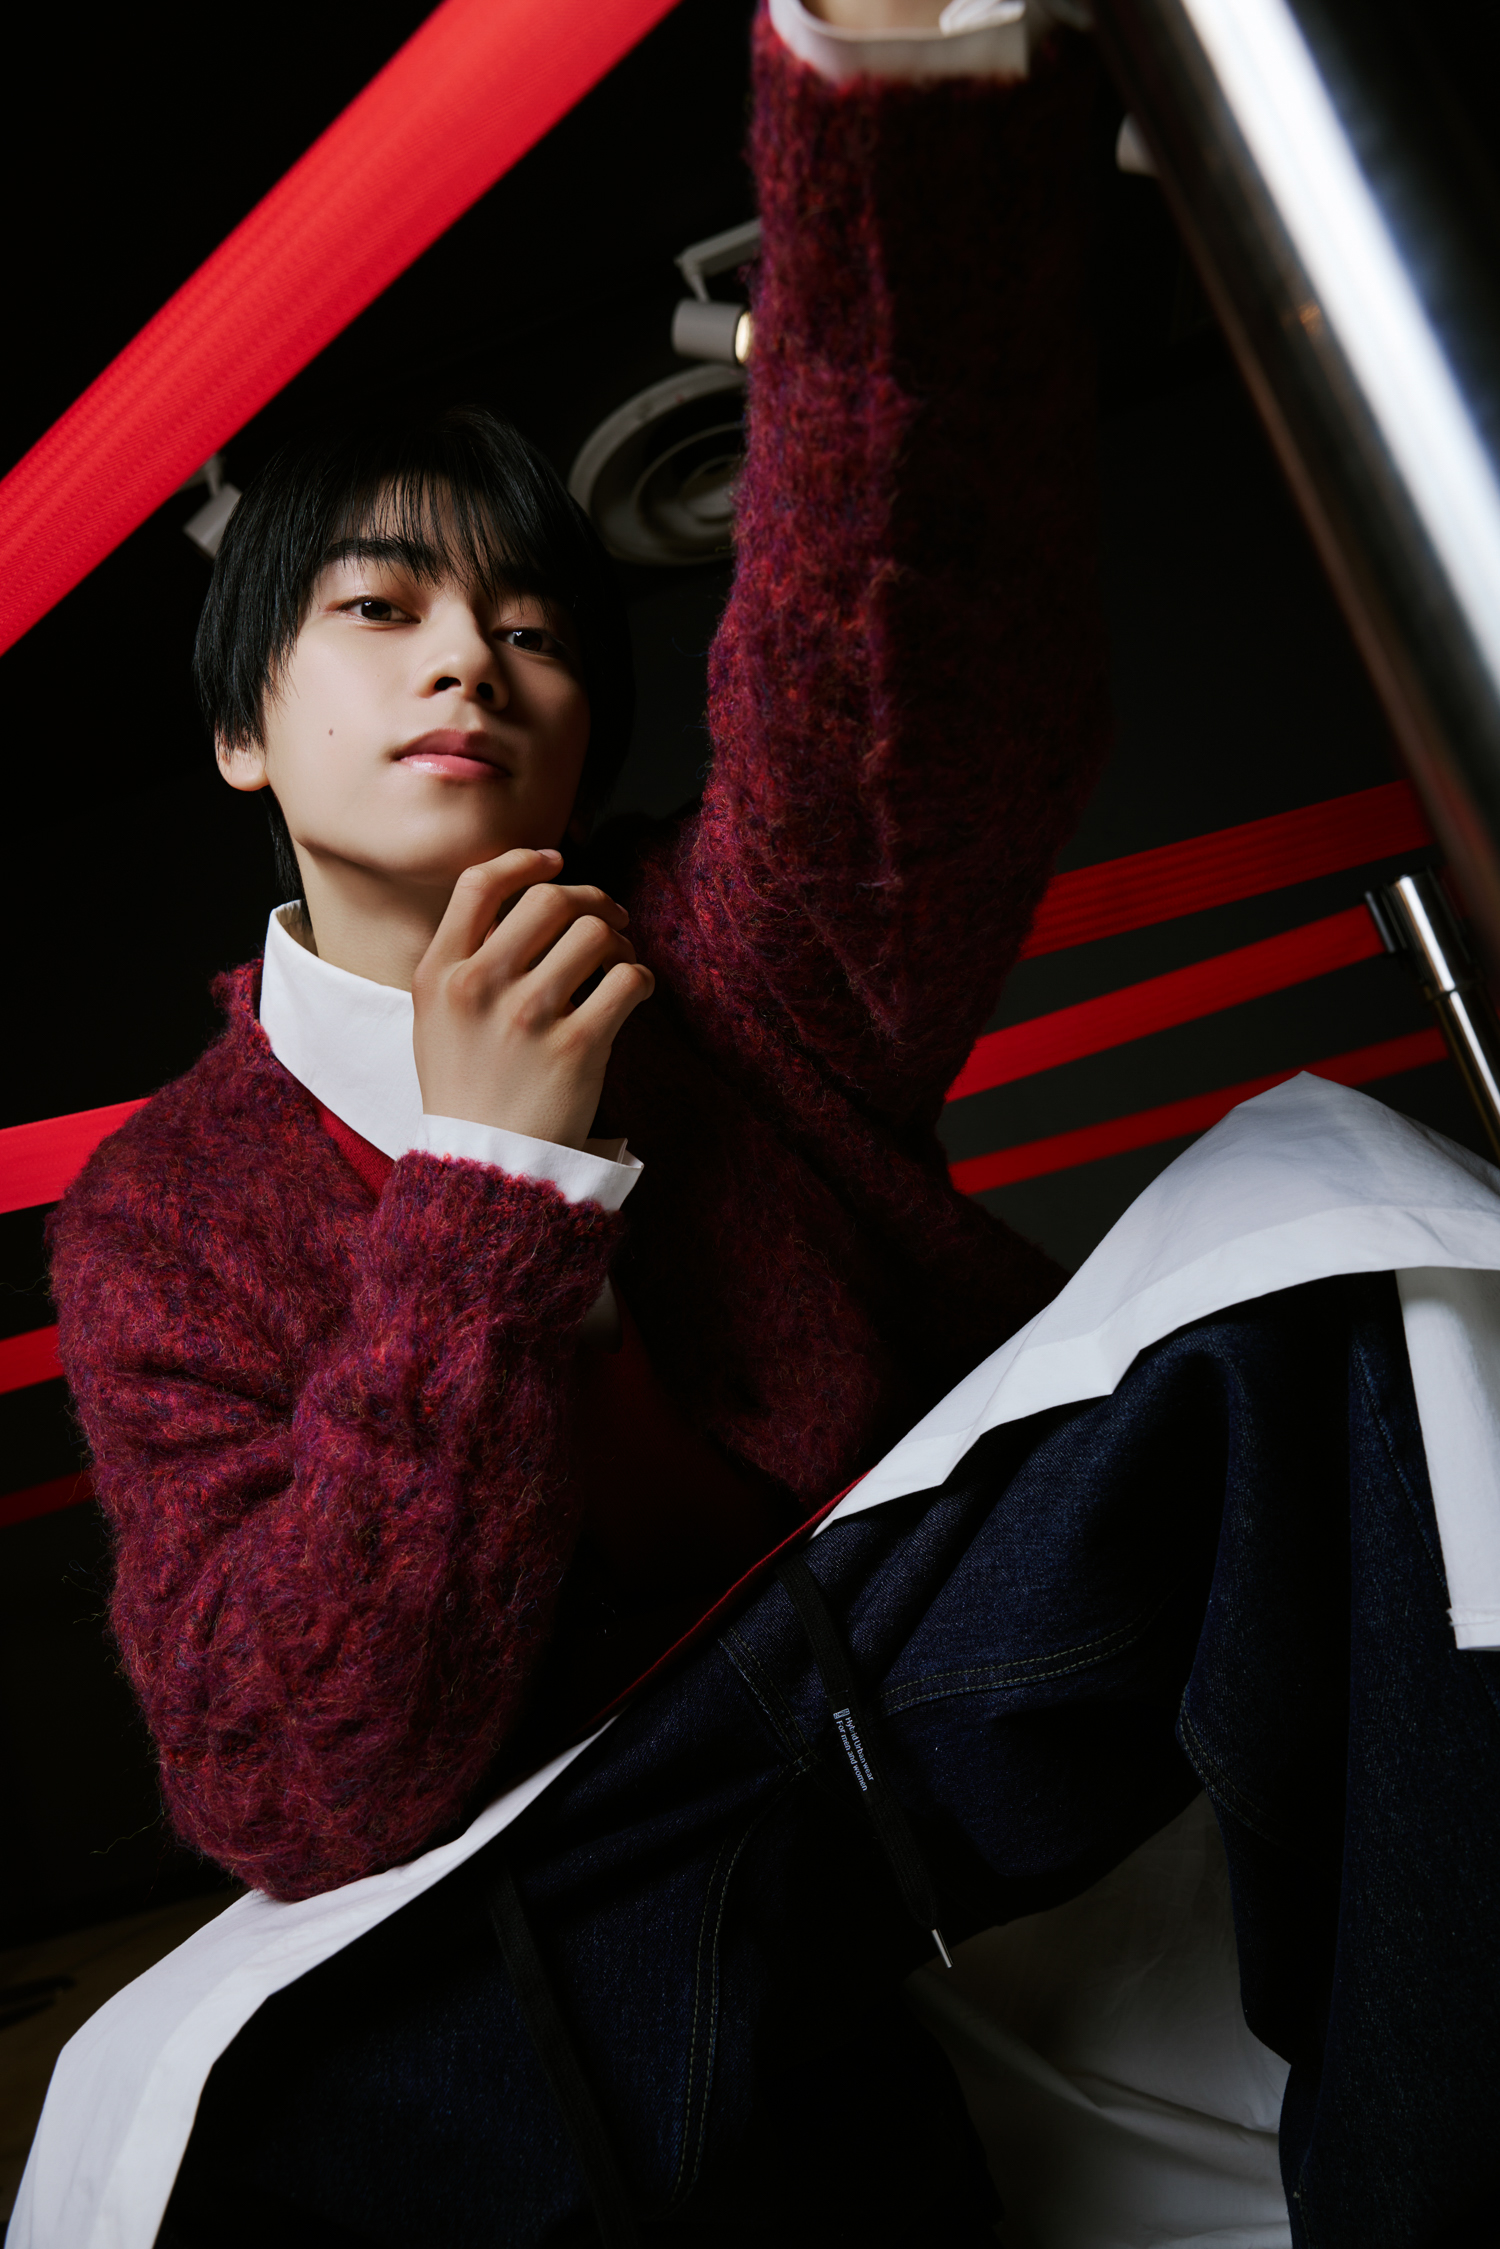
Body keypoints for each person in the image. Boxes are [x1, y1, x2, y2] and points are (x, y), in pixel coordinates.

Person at [27, 3, 1500, 2246]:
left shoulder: (717, 952)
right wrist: (490, 1192)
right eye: (383, 608)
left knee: (1330, 1248)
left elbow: (914, 658)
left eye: (534, 630)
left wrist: (895, 88)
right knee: (188, 2117)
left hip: (939, 1685)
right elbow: (293, 1773)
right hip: (590, 1872)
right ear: (242, 731)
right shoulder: (163, 1216)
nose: (470, 659)